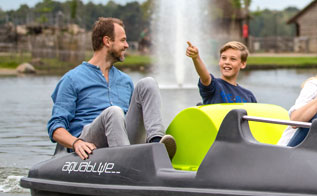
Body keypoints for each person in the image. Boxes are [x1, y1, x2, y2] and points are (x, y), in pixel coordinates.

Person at [47, 17, 176, 160]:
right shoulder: (72, 79)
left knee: (148, 83)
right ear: (107, 41)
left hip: (122, 140)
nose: (127, 45)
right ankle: (126, 163)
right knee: (113, 112)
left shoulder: (125, 81)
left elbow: (130, 121)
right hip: (90, 143)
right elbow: (55, 127)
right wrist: (76, 142)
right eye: (122, 40)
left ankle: (157, 144)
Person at [185, 40, 256, 104]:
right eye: (224, 58)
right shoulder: (214, 86)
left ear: (242, 64)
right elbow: (205, 78)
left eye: (233, 59)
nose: (227, 62)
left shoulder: (249, 96)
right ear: (219, 61)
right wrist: (196, 58)